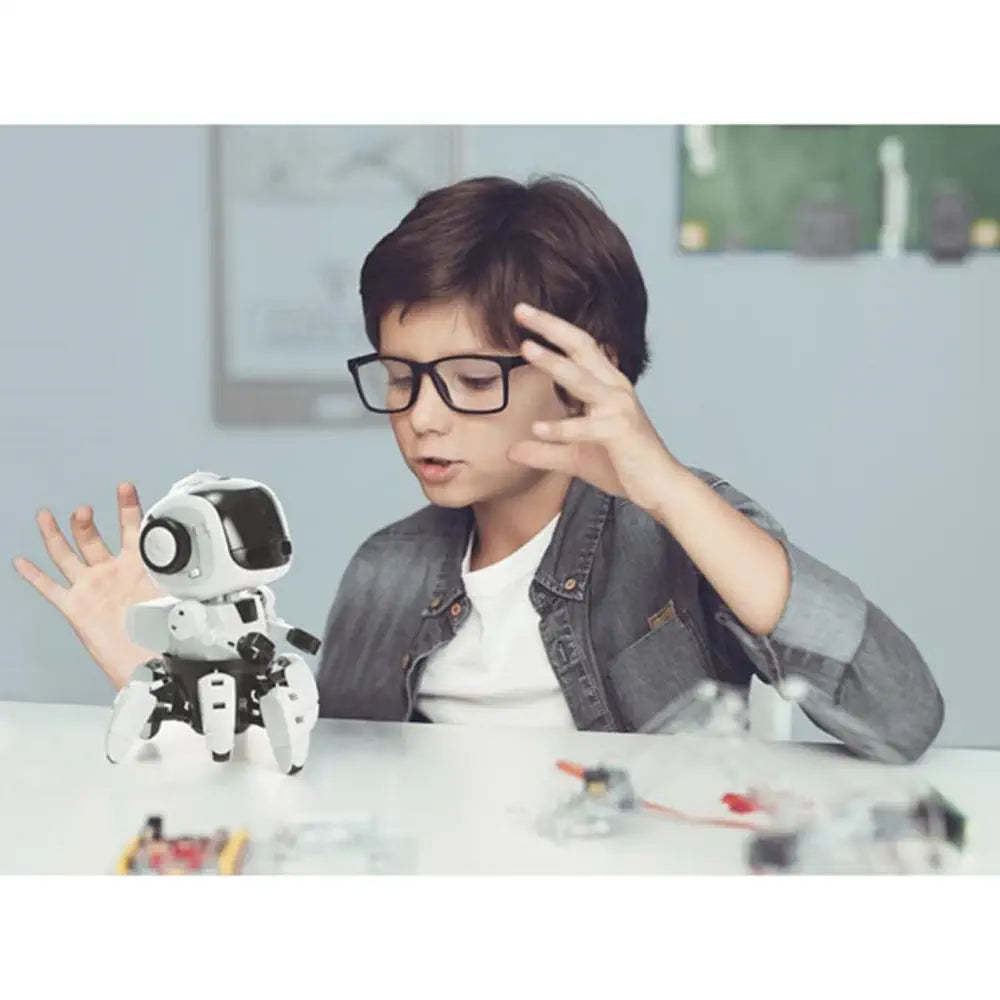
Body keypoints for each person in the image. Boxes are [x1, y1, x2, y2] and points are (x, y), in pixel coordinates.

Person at [12, 175, 943, 762]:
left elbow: (902, 719)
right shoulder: (388, 569)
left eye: (468, 379)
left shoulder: (681, 529)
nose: (422, 416)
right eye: (400, 378)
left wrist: (664, 484)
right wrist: (155, 659)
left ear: (585, 372)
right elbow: (321, 777)